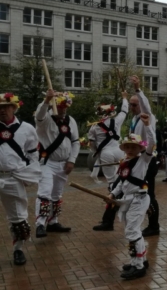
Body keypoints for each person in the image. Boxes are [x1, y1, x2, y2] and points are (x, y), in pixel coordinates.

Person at [93, 76, 159, 238]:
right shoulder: (135, 119)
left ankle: (154, 225)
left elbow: (146, 108)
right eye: (130, 104)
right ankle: (108, 220)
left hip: (146, 161)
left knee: (149, 194)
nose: (131, 107)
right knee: (117, 187)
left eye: (134, 104)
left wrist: (138, 88)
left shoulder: (148, 118)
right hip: (132, 160)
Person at [108, 113, 155, 280]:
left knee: (132, 231)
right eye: (127, 147)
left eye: (133, 147)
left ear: (140, 148)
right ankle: (139, 258)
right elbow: (122, 182)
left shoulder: (144, 160)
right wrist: (112, 194)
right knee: (133, 230)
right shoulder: (125, 163)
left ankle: (138, 266)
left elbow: (152, 142)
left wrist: (148, 125)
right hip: (128, 199)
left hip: (139, 198)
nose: (129, 150)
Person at [0, 92, 40, 266]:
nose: (2, 111)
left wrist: (29, 174)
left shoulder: (27, 128)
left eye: (6, 107)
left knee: (18, 216)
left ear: (14, 107)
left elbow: (33, 154)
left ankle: (18, 250)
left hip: (13, 177)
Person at [34, 90, 79, 238]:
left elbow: (75, 142)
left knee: (57, 194)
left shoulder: (71, 120)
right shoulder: (45, 119)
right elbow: (39, 114)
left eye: (65, 106)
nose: (63, 109)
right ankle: (40, 223)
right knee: (45, 192)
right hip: (47, 162)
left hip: (63, 164)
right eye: (59, 106)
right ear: (54, 106)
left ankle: (53, 222)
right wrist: (46, 100)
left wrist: (72, 160)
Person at [88, 94, 128, 188]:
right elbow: (124, 111)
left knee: (111, 180)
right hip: (119, 151)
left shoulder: (94, 127)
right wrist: (124, 98)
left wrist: (96, 152)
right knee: (122, 176)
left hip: (105, 153)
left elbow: (92, 143)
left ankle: (112, 196)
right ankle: (120, 194)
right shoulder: (117, 121)